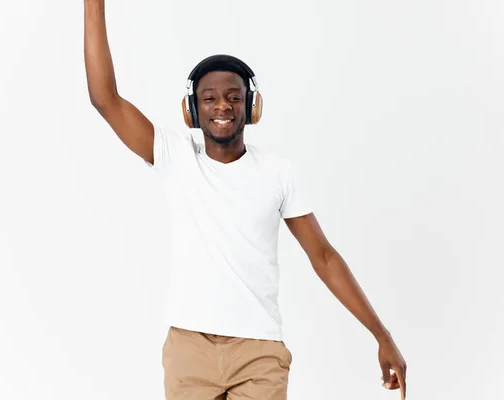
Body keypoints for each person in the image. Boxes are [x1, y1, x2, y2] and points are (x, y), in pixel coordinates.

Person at [83, 1, 407, 399]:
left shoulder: (278, 173)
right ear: (192, 111)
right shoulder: (173, 155)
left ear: (252, 107)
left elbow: (323, 257)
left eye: (234, 97)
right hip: (190, 350)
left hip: (259, 353)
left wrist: (381, 334)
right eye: (210, 98)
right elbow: (104, 98)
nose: (222, 106)